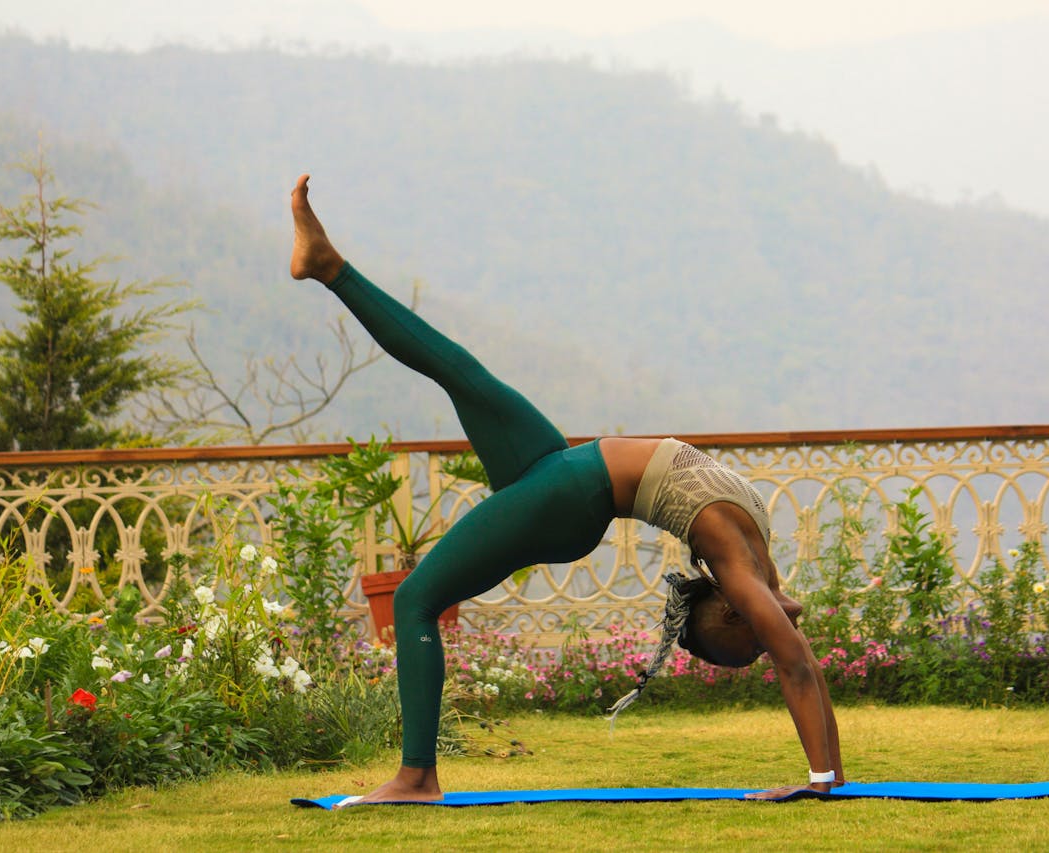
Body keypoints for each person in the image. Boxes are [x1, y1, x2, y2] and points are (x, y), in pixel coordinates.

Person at [289, 174, 843, 804]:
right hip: (562, 469)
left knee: (415, 598)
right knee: (458, 369)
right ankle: (328, 265)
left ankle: (417, 776)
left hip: (567, 499)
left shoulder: (739, 566)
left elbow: (792, 656)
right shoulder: (755, 576)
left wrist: (817, 783)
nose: (772, 630)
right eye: (758, 635)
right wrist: (833, 777)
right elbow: (794, 648)